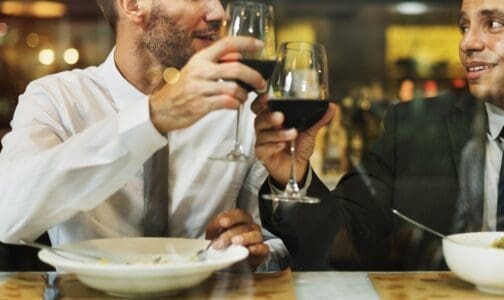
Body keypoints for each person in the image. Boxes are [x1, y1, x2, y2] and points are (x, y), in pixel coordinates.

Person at [254, 0, 504, 270]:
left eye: (493, 24)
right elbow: (345, 244)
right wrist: (292, 175)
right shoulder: (414, 128)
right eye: (464, 26)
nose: (468, 42)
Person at [0, 0, 288, 271]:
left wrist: (245, 254)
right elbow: (7, 215)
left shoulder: (239, 109)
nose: (218, 12)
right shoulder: (57, 100)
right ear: (133, 5)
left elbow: (277, 246)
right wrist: (152, 118)